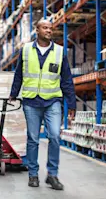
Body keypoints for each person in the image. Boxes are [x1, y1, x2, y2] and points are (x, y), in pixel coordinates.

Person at [9, 19, 76, 190]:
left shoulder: (59, 52)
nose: (49, 31)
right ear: (37, 30)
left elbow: (67, 80)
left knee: (54, 135)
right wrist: (13, 94)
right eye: (45, 28)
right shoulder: (25, 50)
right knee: (33, 138)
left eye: (50, 28)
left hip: (52, 100)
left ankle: (52, 175)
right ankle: (33, 174)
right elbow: (19, 75)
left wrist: (72, 103)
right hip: (31, 101)